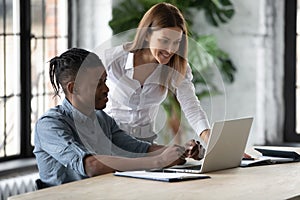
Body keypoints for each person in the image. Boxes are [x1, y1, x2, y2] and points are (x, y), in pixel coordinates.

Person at [33, 48, 202, 187]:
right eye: (98, 83)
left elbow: (138, 149)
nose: (106, 89)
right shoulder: (49, 125)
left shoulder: (102, 119)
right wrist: (158, 161)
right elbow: (90, 165)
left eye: (105, 81)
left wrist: (179, 151)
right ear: (73, 88)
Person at [102, 2, 210, 144]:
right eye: (164, 41)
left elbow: (192, 107)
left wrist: (215, 144)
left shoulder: (176, 66)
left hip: (145, 146)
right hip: (108, 141)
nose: (170, 50)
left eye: (176, 42)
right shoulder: (112, 60)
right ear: (147, 35)